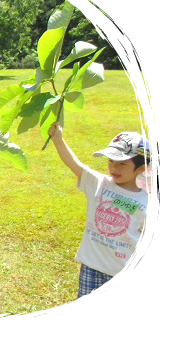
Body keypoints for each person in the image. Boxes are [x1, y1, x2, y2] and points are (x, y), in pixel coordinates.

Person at [48, 124, 150, 298]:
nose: (114, 168)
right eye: (111, 161)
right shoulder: (98, 183)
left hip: (122, 272)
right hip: (91, 266)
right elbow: (74, 164)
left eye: (122, 163)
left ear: (140, 169)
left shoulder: (146, 203)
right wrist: (58, 139)